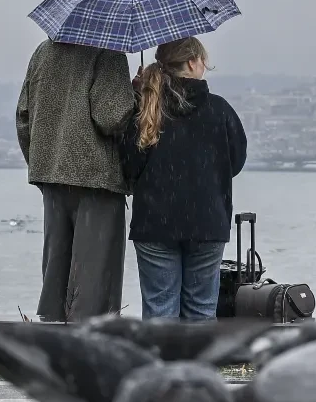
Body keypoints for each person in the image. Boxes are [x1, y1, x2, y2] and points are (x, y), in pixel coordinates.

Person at [120, 36, 248, 320]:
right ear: (192, 63)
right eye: (203, 60)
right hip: (207, 222)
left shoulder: (147, 109)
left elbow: (129, 166)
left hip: (155, 224)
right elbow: (236, 163)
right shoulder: (220, 110)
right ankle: (198, 365)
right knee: (202, 311)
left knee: (159, 311)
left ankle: (161, 364)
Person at [15, 39, 135, 322]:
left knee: (55, 276)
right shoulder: (108, 51)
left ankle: (54, 344)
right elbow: (111, 117)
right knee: (94, 282)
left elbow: (23, 116)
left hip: (51, 176)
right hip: (97, 180)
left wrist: (42, 162)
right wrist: (135, 95)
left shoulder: (43, 51)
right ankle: (88, 351)